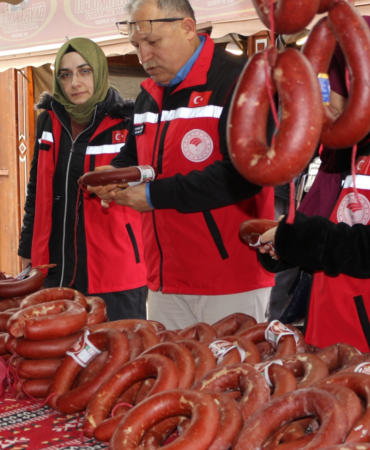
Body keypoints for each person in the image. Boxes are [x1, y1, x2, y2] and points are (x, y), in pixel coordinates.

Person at [90, 0, 275, 329]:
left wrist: (152, 196)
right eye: (136, 46)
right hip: (164, 280)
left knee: (230, 378)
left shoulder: (240, 80)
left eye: (153, 42)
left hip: (229, 280)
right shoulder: (149, 93)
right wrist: (114, 173)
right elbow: (134, 157)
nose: (143, 56)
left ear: (188, 28)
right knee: (174, 379)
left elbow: (246, 176)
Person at [254, 16, 370, 354]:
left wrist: (295, 238)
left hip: (369, 339)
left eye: (326, 92)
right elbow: (316, 227)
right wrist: (282, 247)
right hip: (321, 330)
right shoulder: (326, 152)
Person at [17, 38, 148, 321]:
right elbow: (35, 190)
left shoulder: (128, 123)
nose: (75, 82)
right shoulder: (48, 122)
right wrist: (27, 250)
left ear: (99, 72)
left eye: (84, 71)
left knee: (117, 356)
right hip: (53, 267)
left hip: (114, 271)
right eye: (66, 74)